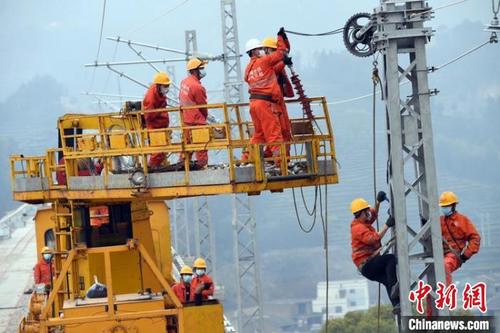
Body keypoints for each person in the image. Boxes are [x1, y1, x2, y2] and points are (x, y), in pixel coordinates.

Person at [243, 28, 291, 168]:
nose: (263, 51)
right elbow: (281, 52)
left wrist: (283, 63)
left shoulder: (249, 69)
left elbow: (270, 72)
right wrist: (280, 38)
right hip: (266, 105)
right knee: (274, 134)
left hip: (254, 104)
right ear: (255, 51)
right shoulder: (263, 62)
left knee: (259, 135)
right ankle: (280, 163)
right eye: (261, 49)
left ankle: (246, 160)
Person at [350, 192, 400, 310]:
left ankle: (397, 305)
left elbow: (373, 214)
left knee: (387, 280)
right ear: (362, 213)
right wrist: (387, 225)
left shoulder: (362, 222)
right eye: (366, 211)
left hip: (367, 266)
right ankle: (394, 286)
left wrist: (378, 202)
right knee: (390, 259)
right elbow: (373, 239)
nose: (369, 212)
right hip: (367, 265)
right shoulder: (358, 228)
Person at [261, 36, 294, 157]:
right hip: (271, 103)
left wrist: (284, 39)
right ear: (267, 50)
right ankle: (273, 158)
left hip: (279, 101)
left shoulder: (276, 60)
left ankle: (285, 159)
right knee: (275, 133)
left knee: (285, 131)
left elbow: (284, 51)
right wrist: (283, 63)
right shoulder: (264, 62)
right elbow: (273, 71)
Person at [439, 191, 481, 285]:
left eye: (447, 206)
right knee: (433, 273)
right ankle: (431, 298)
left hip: (454, 255)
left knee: (444, 266)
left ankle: (446, 293)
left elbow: (475, 237)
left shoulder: (462, 220)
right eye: (443, 206)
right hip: (440, 255)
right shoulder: (440, 221)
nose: (444, 208)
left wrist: (466, 254)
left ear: (453, 206)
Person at [178, 57, 209, 170]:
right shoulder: (197, 87)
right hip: (197, 122)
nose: (203, 70)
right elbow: (203, 107)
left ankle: (181, 166)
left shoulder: (184, 83)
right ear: (195, 70)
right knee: (201, 148)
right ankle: (201, 167)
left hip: (186, 121)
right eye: (201, 68)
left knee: (186, 147)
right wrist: (204, 119)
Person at [143, 71, 171, 170]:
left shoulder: (159, 93)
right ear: (158, 85)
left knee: (162, 150)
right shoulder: (151, 97)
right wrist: (160, 113)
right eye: (165, 86)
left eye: (168, 85)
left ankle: (157, 166)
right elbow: (149, 115)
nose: (167, 88)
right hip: (155, 126)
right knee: (158, 150)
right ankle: (151, 168)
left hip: (160, 125)